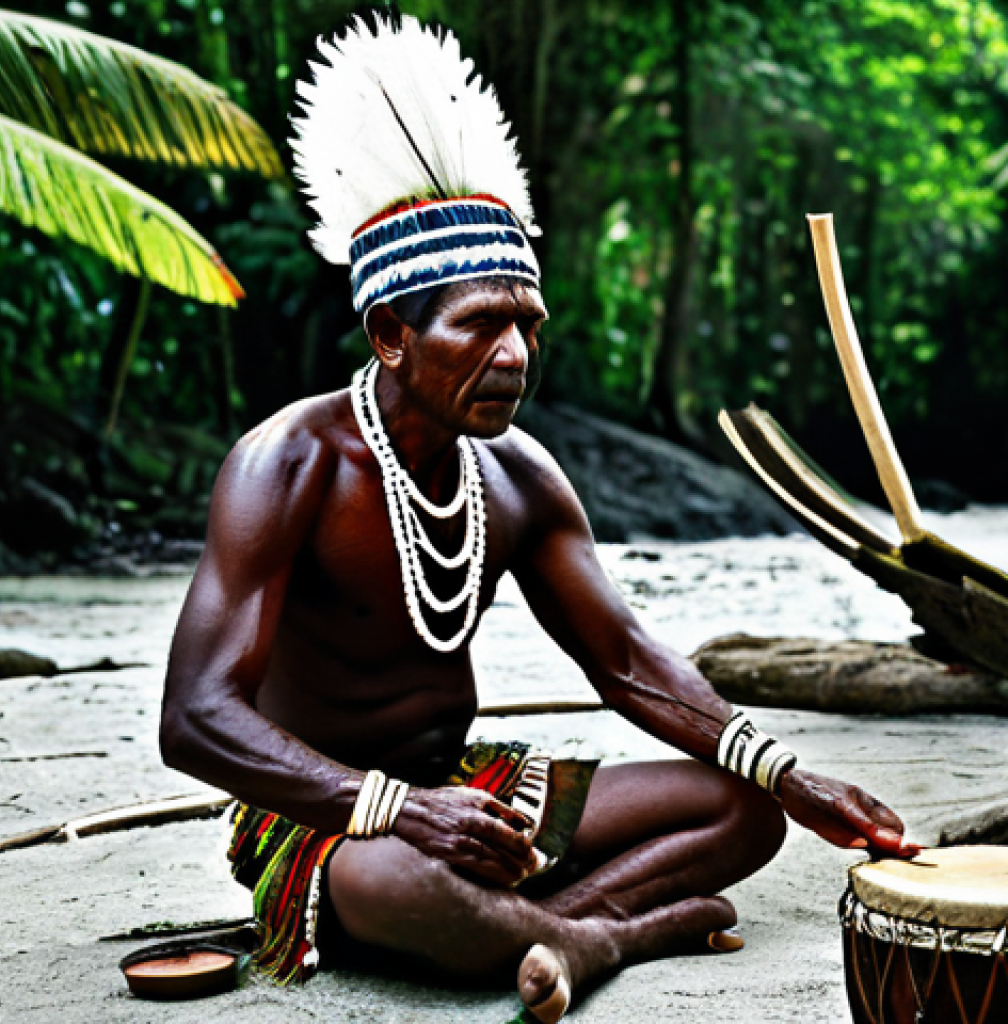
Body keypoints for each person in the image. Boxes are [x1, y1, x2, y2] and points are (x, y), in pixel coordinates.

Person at [159, 16, 918, 1023]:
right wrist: (393, 810)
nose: (515, 352)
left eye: (528, 322)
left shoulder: (515, 477)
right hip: (327, 818)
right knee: (412, 888)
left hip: (471, 790)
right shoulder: (285, 464)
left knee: (743, 810)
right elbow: (195, 717)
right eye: (481, 323)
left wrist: (785, 770)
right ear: (391, 334)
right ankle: (611, 932)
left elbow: (625, 658)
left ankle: (540, 933)